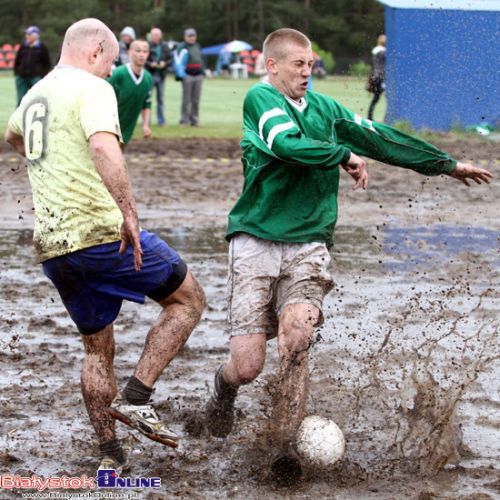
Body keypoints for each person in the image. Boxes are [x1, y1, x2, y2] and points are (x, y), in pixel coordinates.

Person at [203, 28, 492, 485]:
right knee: (249, 365)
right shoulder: (260, 101)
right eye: (298, 64)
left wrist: (445, 164)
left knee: (297, 335)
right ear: (272, 65)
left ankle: (283, 447)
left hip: (309, 242)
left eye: (311, 63)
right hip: (256, 239)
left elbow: (379, 137)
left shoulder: (328, 111)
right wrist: (343, 155)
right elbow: (285, 145)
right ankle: (223, 389)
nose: (308, 70)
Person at [5, 18, 205, 474]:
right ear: (96, 51)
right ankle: (136, 397)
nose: (110, 71)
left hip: (54, 248)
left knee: (97, 349)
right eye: (111, 62)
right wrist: (129, 213)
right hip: (98, 234)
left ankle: (109, 452)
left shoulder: (36, 93)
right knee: (188, 299)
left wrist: (53, 166)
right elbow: (103, 148)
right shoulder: (93, 89)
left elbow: (13, 135)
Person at [108, 39, 153, 144]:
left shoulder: (148, 78)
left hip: (127, 130)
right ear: (129, 52)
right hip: (108, 128)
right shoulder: (118, 74)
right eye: (138, 51)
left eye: (145, 51)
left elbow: (147, 104)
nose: (141, 54)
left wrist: (146, 126)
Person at [14, 25, 52, 105]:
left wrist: (41, 75)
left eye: (29, 34)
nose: (26, 36)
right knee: (21, 100)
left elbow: (47, 63)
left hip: (35, 78)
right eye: (27, 34)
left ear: (35, 36)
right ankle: (19, 117)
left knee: (36, 99)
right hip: (22, 77)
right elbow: (17, 61)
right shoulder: (23, 46)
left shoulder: (42, 47)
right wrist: (17, 73)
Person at [175, 28, 204, 126]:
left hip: (198, 75)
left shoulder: (197, 46)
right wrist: (181, 75)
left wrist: (202, 72)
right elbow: (178, 62)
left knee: (196, 99)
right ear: (185, 37)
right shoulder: (182, 47)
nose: (192, 38)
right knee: (186, 99)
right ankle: (184, 120)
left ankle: (194, 120)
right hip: (187, 75)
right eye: (189, 36)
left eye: (193, 36)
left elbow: (201, 59)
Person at [145, 27, 171, 126]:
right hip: (150, 75)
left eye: (156, 35)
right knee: (148, 99)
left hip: (161, 76)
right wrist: (150, 64)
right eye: (153, 35)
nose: (155, 37)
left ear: (160, 36)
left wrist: (165, 63)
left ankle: (161, 121)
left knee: (160, 100)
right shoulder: (147, 46)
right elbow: (143, 59)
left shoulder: (165, 46)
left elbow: (170, 59)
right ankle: (147, 121)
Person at [367, 33, 386, 121]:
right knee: (389, 97)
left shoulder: (376, 51)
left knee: (375, 98)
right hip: (382, 77)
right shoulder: (383, 52)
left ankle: (369, 116)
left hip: (376, 76)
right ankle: (387, 118)